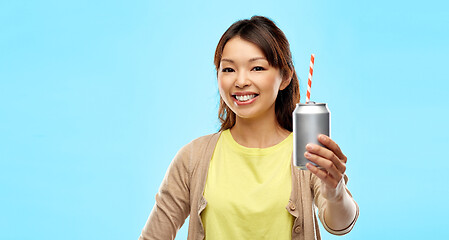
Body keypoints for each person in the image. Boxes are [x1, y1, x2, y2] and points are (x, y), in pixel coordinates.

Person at [139, 16, 359, 240]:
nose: (241, 81)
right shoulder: (193, 158)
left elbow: (340, 225)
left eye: (256, 68)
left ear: (285, 77)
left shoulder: (306, 153)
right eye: (228, 69)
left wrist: (335, 191)